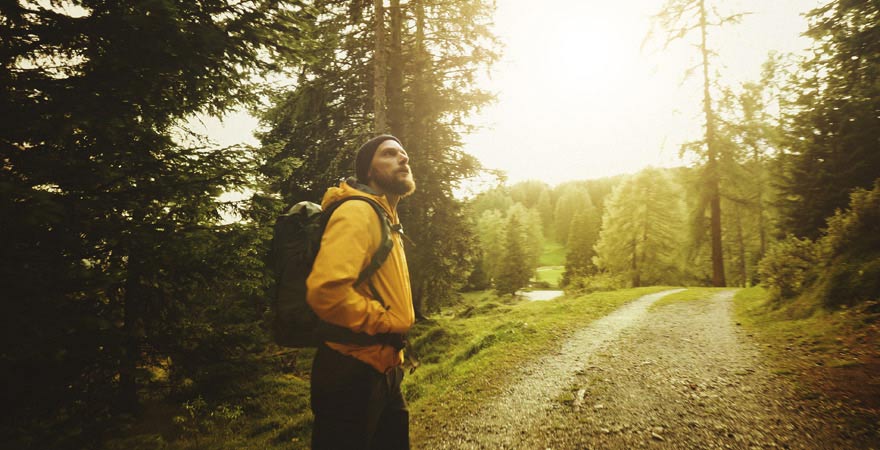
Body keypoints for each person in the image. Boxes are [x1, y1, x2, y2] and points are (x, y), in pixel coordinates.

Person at [306, 135, 416, 450]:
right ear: (369, 170)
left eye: (404, 154)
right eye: (389, 154)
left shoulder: (386, 218)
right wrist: (387, 322)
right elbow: (326, 291)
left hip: (384, 368)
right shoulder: (357, 212)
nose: (403, 159)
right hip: (350, 370)